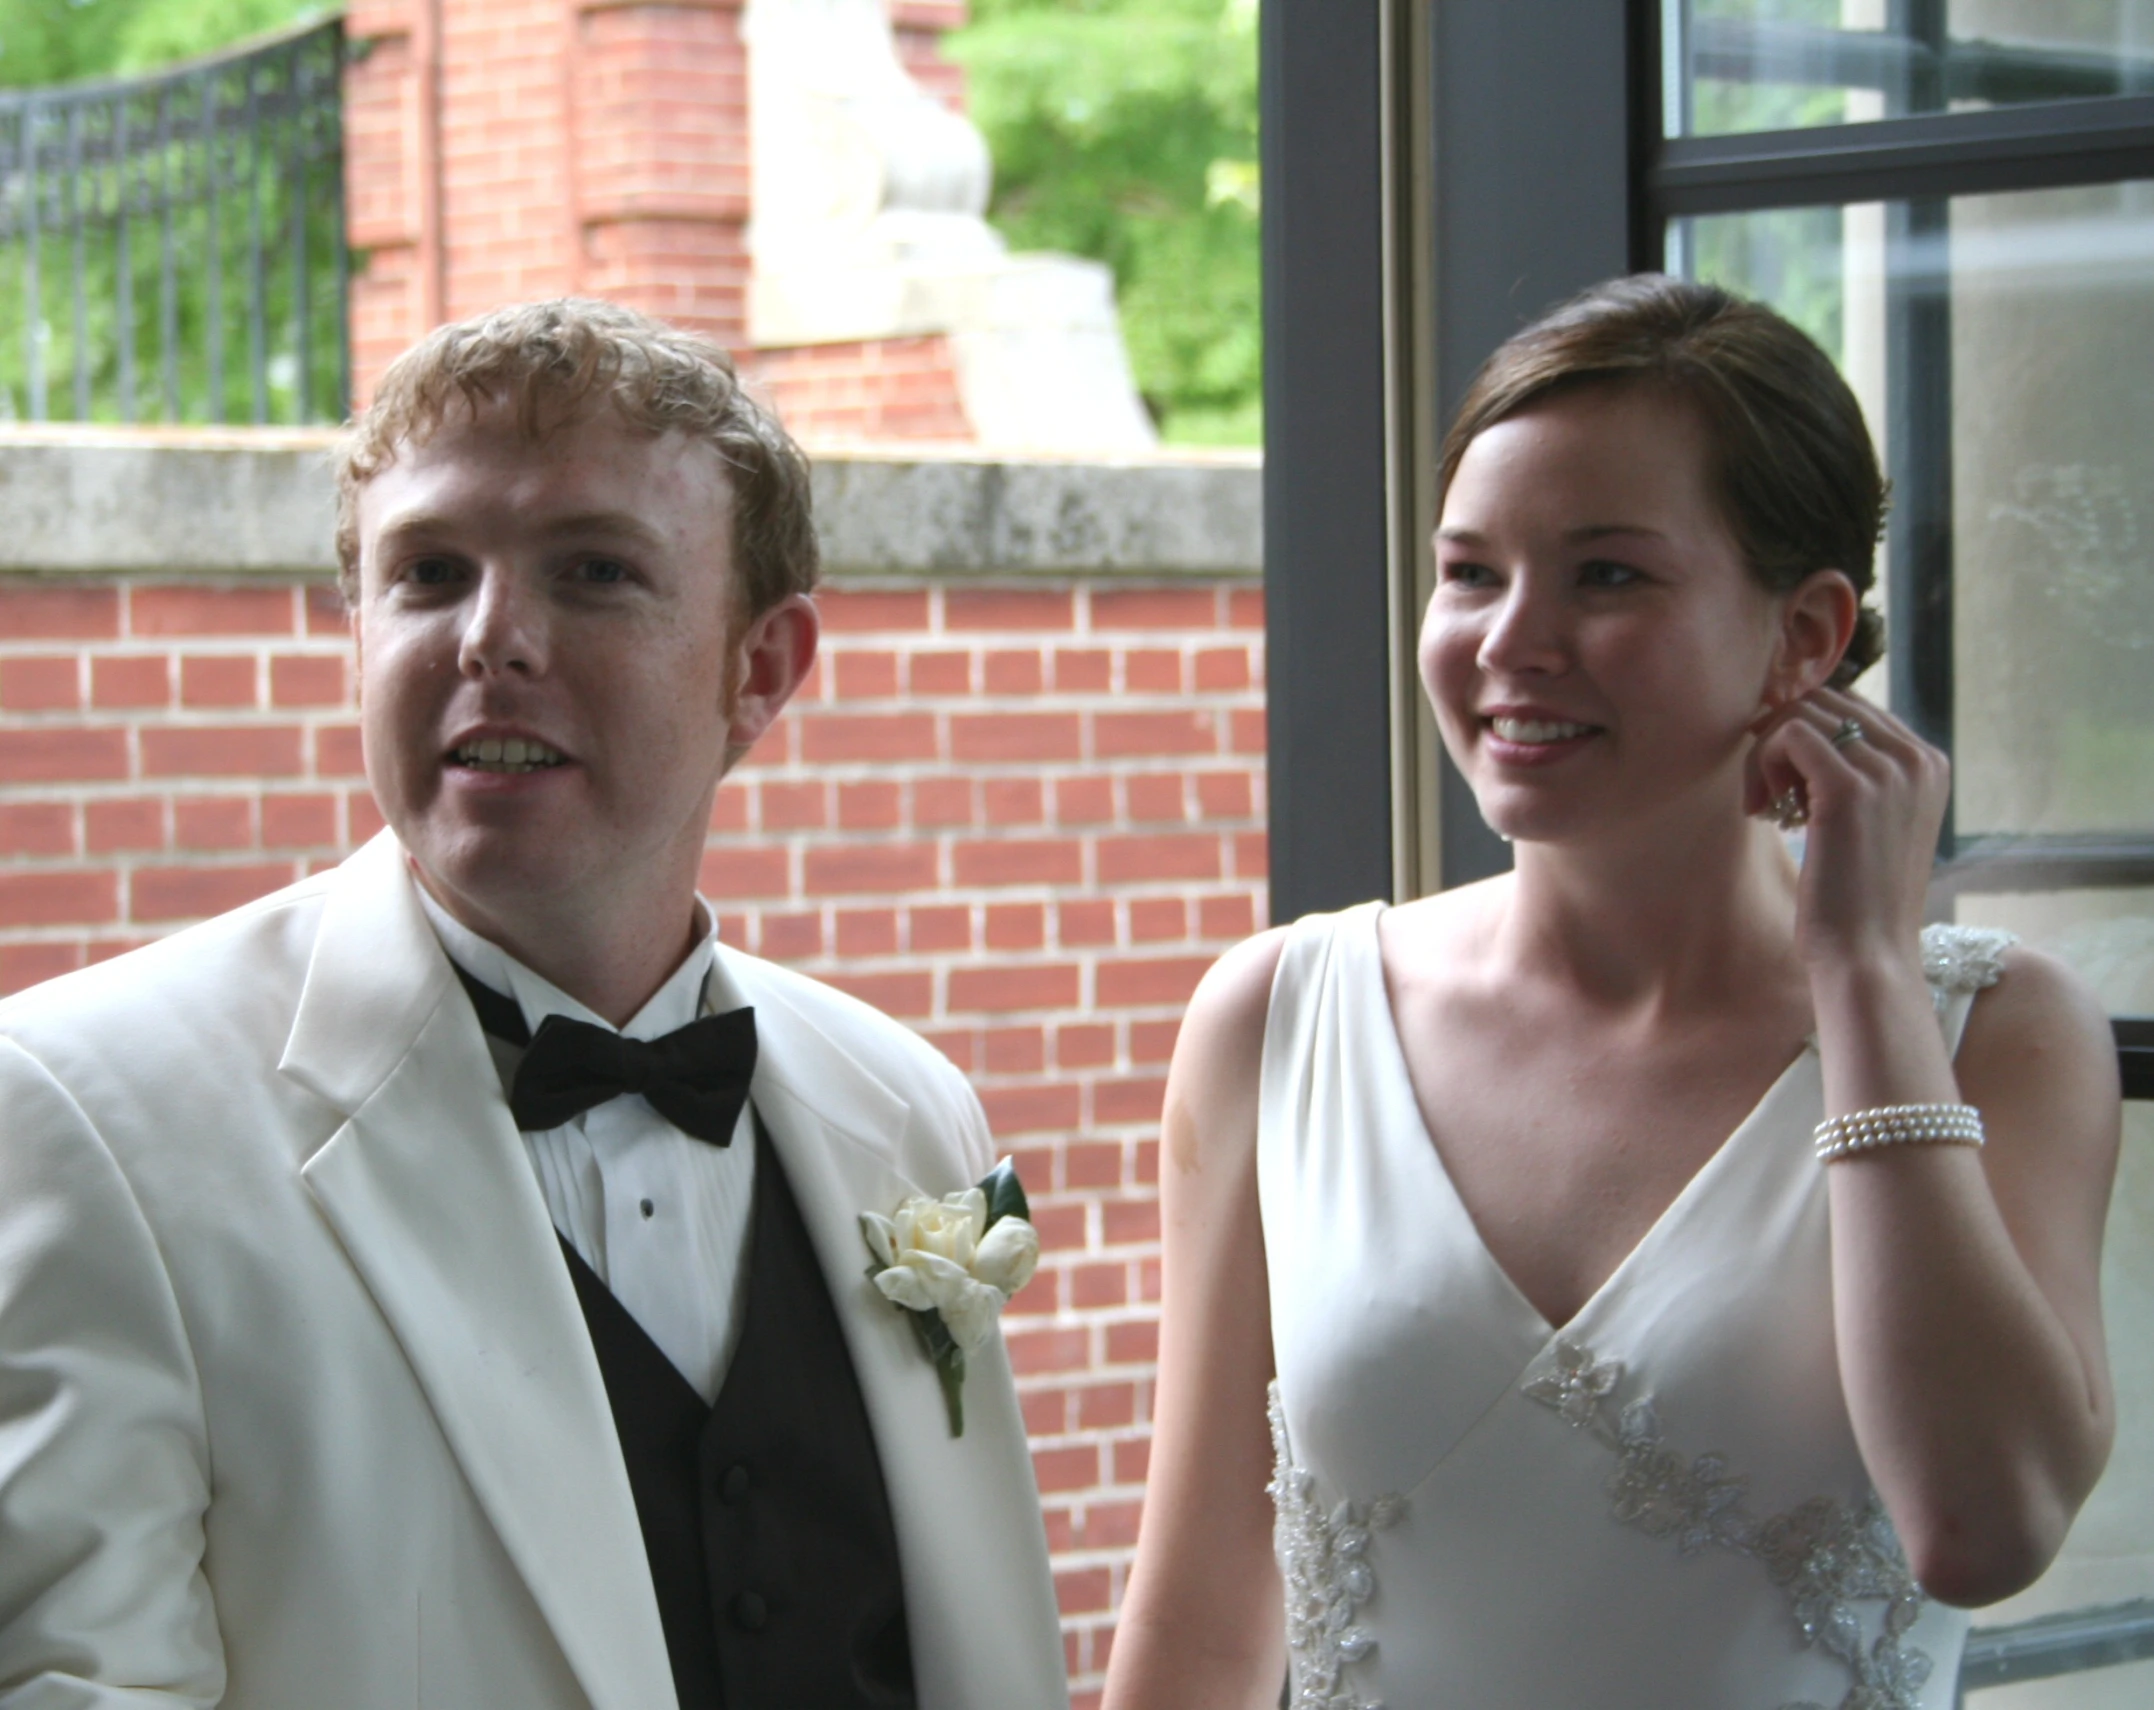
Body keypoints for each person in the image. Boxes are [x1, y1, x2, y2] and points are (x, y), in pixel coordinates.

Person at [0, 300, 1068, 1710]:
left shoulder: (904, 1105)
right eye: (429, 572)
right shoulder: (84, 1112)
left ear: (758, 670)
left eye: (593, 572)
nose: (489, 640)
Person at [1102, 275, 2122, 1710]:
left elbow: (1980, 1524)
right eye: (1469, 572)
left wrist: (1865, 976)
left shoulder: (2000, 1034)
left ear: (1804, 634)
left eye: (1606, 574)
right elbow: (1200, 1621)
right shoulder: (1275, 1015)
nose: (1511, 639)